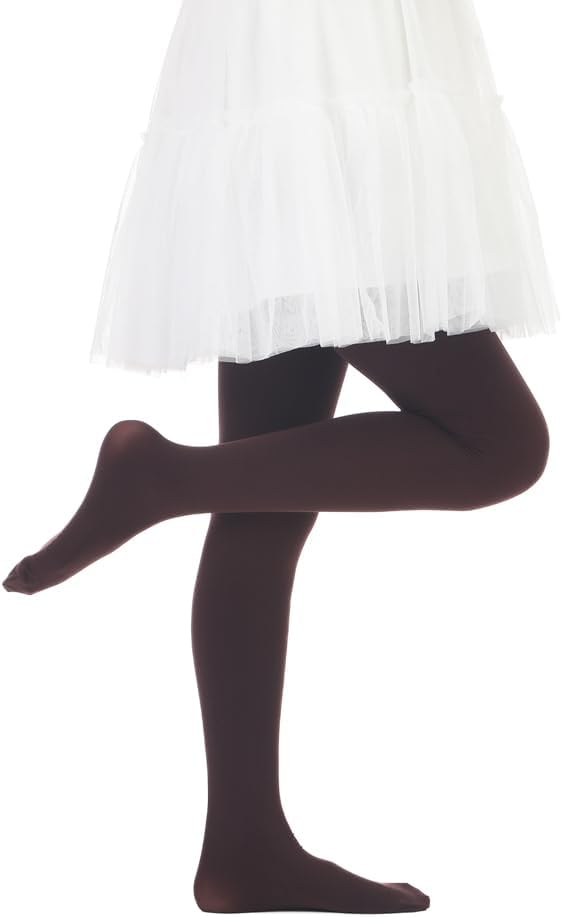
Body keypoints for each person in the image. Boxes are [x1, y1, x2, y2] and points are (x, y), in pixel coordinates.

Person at [3, 2, 559, 913]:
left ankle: (243, 847)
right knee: (501, 446)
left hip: (293, 67)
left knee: (267, 500)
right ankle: (162, 478)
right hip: (334, 60)